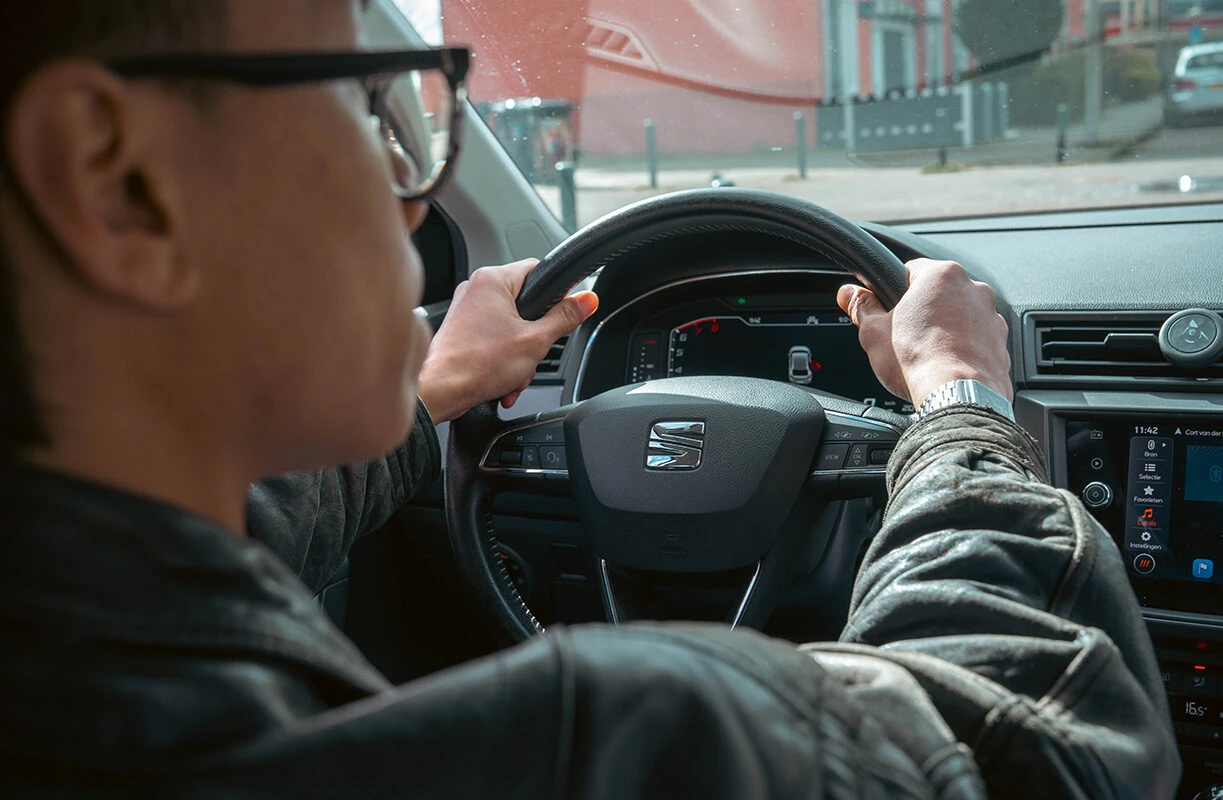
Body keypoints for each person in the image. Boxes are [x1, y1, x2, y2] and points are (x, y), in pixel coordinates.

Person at [0, 2, 1180, 798]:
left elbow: (250, 519)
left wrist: (430, 393)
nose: (415, 201)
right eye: (372, 107)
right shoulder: (598, 741)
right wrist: (959, 400)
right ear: (121, 185)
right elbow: (1027, 732)